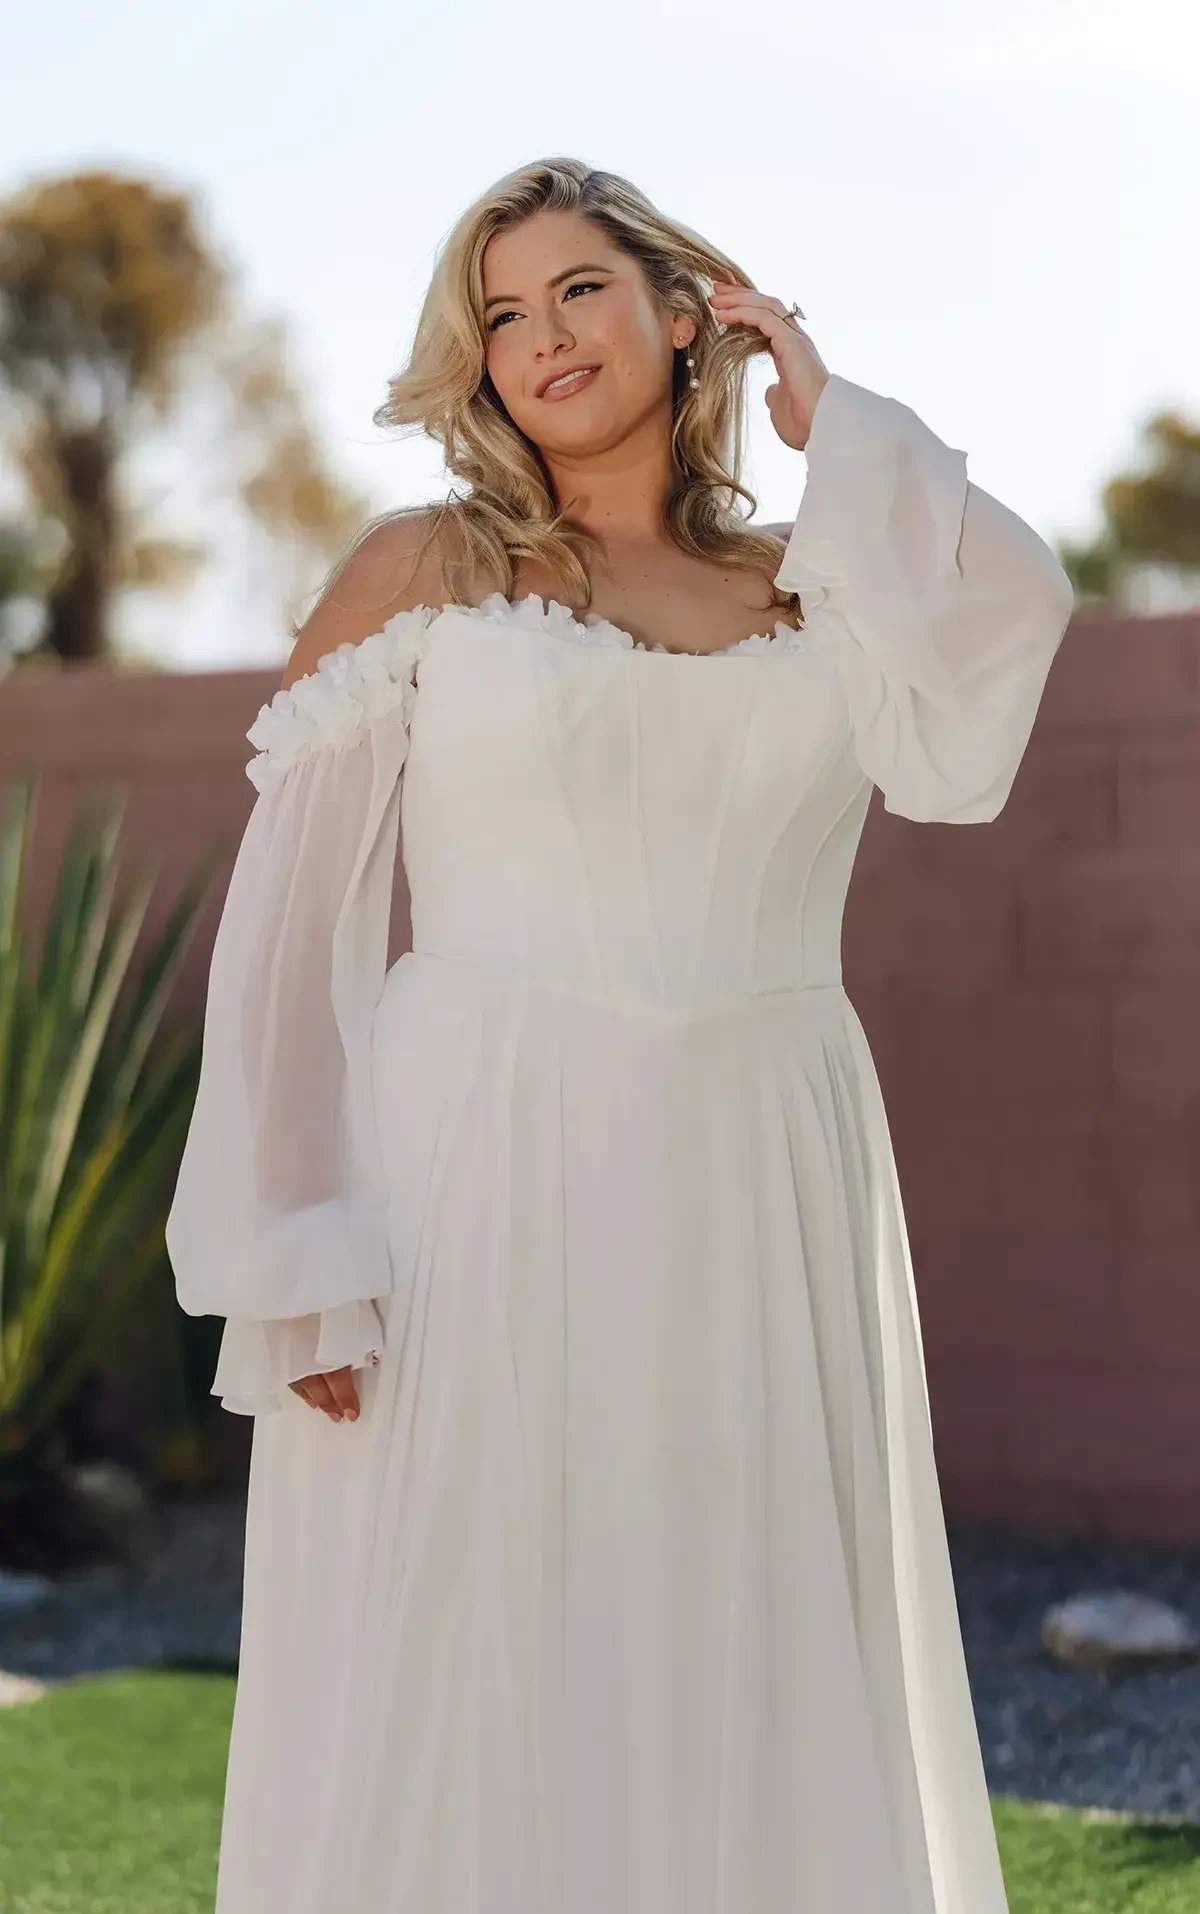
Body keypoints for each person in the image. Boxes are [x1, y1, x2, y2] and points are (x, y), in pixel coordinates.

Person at [166, 155, 1074, 1914]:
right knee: (477, 1621)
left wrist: (832, 413)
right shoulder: (422, 567)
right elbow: (290, 933)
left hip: (767, 1162)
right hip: (476, 1164)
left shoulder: (823, 589)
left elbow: (991, 674)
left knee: (753, 1611)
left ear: (686, 309)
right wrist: (293, 1247)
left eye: (579, 288)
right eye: (500, 313)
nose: (539, 338)